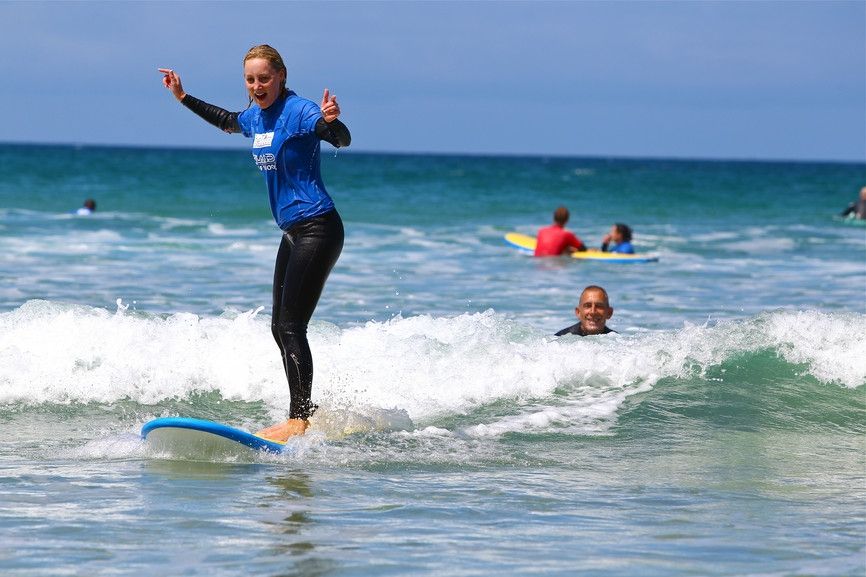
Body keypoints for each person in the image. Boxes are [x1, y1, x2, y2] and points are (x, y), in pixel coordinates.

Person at [159, 44, 351, 442]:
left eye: (264, 77)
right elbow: (229, 121)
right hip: (293, 232)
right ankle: (302, 414)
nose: (257, 85)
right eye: (250, 79)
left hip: (318, 226)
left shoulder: (297, 111)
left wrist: (334, 123)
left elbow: (337, 138)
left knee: (291, 324)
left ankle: (299, 420)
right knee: (279, 327)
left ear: (281, 76)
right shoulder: (258, 116)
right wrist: (182, 97)